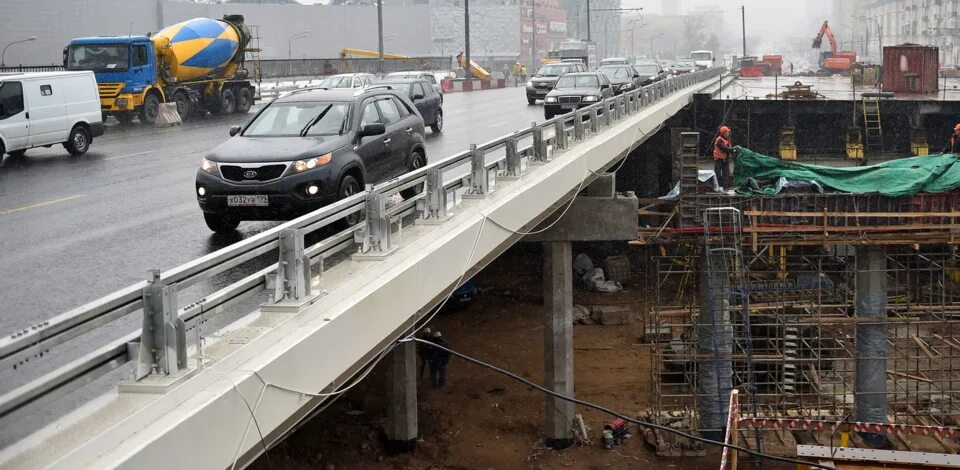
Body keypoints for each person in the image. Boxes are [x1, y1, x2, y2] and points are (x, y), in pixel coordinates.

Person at [712, 125, 735, 191]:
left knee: (726, 174)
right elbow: (724, 148)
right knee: (718, 173)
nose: (728, 133)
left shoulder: (727, 139)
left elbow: (728, 148)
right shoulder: (719, 140)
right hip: (719, 159)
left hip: (725, 159)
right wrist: (732, 150)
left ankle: (726, 187)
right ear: (723, 133)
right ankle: (719, 186)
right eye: (727, 132)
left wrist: (731, 150)